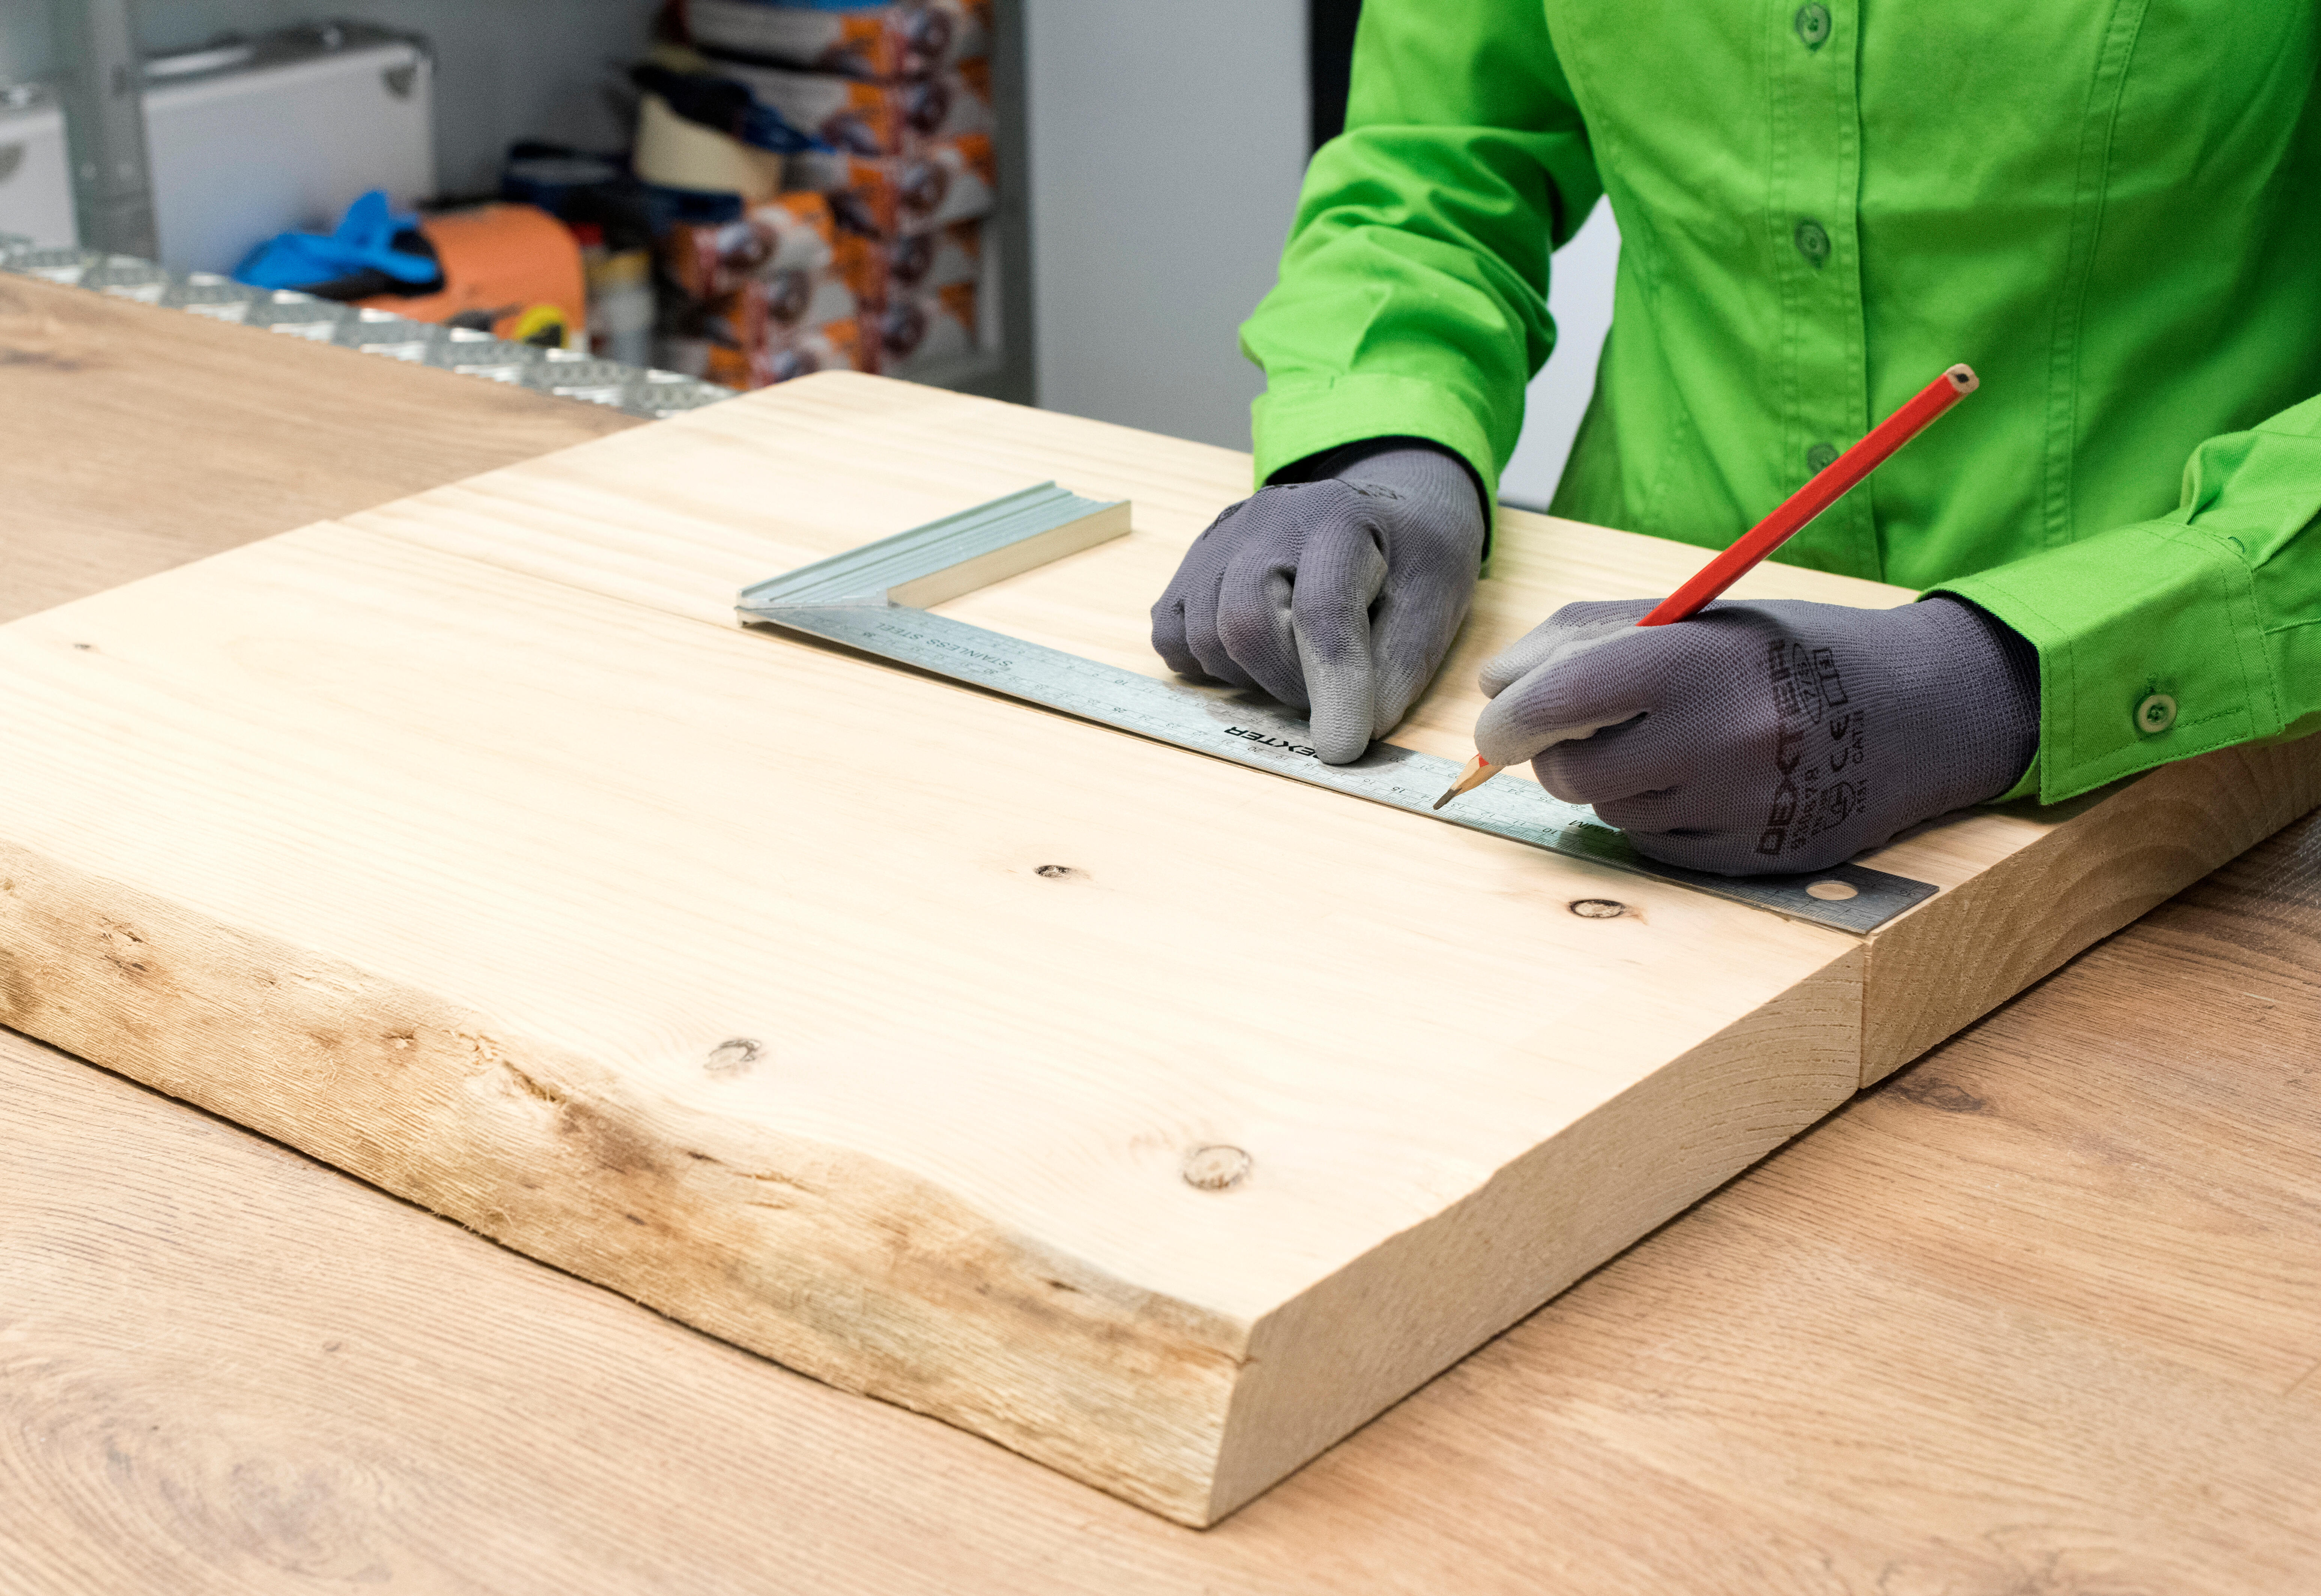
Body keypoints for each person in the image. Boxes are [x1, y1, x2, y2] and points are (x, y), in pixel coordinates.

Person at [1150, 2, 2319, 876]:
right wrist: (1382, 438)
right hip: (1635, 664)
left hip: (2217, 760)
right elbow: (1441, 152)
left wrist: (1991, 678)